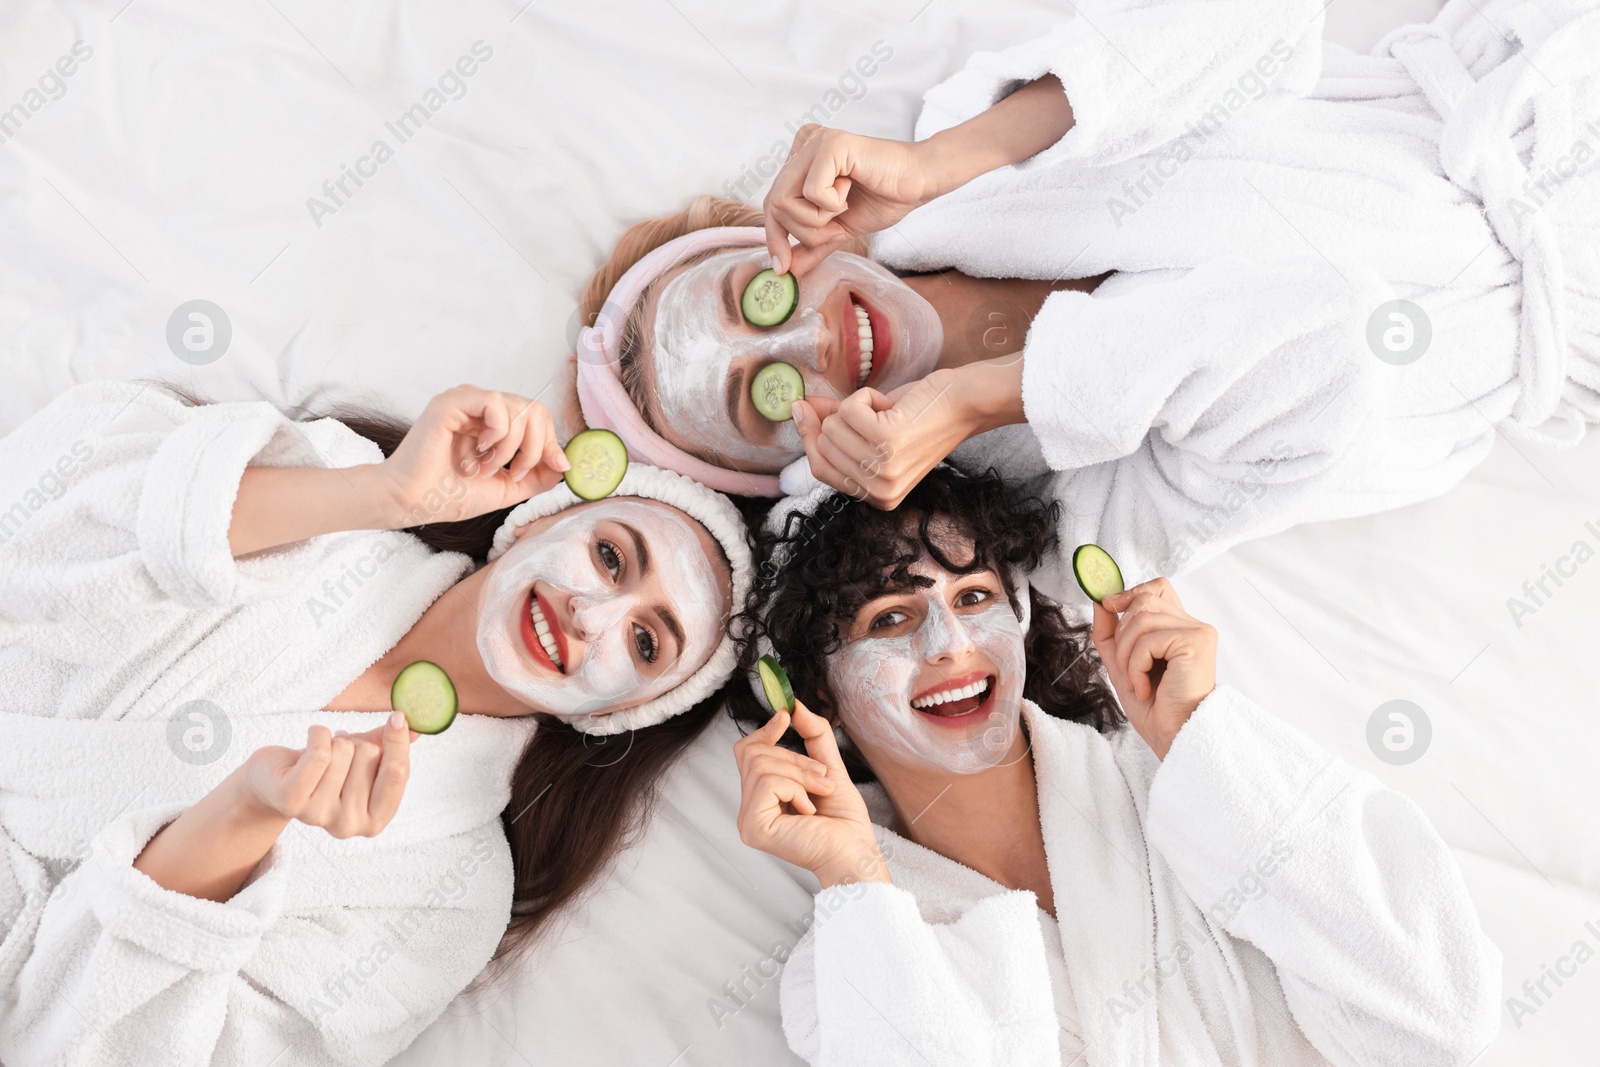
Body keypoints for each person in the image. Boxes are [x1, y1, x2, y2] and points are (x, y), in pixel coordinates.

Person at [567, 0, 1600, 587]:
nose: (806, 342)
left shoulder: (967, 165)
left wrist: (944, 159)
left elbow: (1263, 27)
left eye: (756, 298)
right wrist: (989, 397)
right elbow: (1334, 354)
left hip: (1544, 100)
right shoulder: (1047, 531)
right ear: (797, 469)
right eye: (763, 397)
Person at [0, 378, 752, 1066]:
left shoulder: (451, 895)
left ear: (619, 713)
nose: (590, 615)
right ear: (534, 522)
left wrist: (243, 817)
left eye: (646, 642)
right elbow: (25, 524)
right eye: (611, 557)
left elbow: (116, 1048)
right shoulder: (338, 498)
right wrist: (380, 495)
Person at [729, 464, 1500, 1065]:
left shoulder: (1199, 781)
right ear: (817, 694)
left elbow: (1438, 1017)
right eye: (890, 618)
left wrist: (1203, 734)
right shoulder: (845, 964)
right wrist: (857, 876)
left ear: (1020, 614)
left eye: (972, 597)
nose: (949, 645)